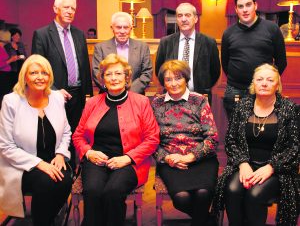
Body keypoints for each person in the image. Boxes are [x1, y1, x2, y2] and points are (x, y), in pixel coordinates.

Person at [72, 53, 159, 226]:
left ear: (127, 78)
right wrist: (88, 152)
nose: (113, 78)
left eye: (118, 73)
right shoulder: (92, 103)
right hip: (96, 160)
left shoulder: (141, 102)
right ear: (102, 79)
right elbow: (78, 136)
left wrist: (127, 158)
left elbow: (152, 138)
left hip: (130, 162)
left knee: (113, 192)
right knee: (93, 191)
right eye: (108, 74)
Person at [212, 64, 299, 226]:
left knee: (254, 194)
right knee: (232, 190)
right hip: (245, 165)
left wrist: (271, 167)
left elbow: (294, 148)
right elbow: (231, 141)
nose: (264, 83)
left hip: (276, 170)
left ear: (277, 85)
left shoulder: (290, 109)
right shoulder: (242, 107)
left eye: (269, 80)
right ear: (254, 83)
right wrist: (243, 164)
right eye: (259, 79)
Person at [0, 54, 73, 226]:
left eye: (44, 73)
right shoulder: (11, 101)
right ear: (25, 76)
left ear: (50, 76)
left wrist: (61, 154)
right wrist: (39, 163)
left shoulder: (56, 97)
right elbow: (6, 146)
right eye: (33, 73)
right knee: (46, 182)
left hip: (54, 159)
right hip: (22, 165)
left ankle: (46, 219)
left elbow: (66, 132)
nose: (40, 77)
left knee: (65, 180)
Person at [152, 60, 219, 226]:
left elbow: (212, 137)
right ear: (163, 82)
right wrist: (167, 158)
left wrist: (191, 156)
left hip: (202, 158)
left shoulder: (199, 101)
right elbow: (151, 140)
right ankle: (209, 220)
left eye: (178, 78)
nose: (174, 83)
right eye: (168, 79)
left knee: (203, 193)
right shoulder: (156, 103)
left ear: (186, 79)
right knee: (182, 198)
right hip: (171, 161)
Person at [31, 0, 93, 169]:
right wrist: (54, 90)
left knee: (76, 135)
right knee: (55, 135)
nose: (70, 11)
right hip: (53, 95)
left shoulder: (79, 34)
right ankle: (57, 171)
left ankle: (75, 172)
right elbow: (37, 68)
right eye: (66, 7)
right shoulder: (42, 34)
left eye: (73, 8)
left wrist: (88, 94)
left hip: (77, 96)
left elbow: (84, 67)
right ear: (55, 8)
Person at [222, 0, 287, 119]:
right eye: (240, 6)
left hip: (264, 91)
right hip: (235, 91)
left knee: (263, 132)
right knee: (235, 133)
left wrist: (268, 82)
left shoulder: (272, 29)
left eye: (248, 4)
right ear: (236, 10)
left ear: (255, 6)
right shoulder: (228, 33)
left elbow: (281, 62)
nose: (245, 9)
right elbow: (225, 63)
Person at [155, 3, 221, 104]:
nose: (183, 19)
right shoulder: (166, 42)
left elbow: (215, 72)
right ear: (177, 19)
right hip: (172, 98)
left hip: (200, 98)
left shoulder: (209, 42)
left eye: (188, 15)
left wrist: (204, 87)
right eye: (180, 16)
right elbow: (159, 71)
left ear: (195, 18)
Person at [92, 12, 152, 94]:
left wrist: (128, 92)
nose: (122, 31)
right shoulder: (100, 48)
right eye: (118, 27)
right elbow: (97, 73)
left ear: (131, 28)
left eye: (126, 27)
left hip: (135, 95)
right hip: (108, 95)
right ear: (112, 28)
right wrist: (112, 89)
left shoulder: (142, 47)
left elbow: (147, 73)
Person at [0, 30, 19, 106]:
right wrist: (11, 60)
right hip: (2, 75)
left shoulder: (3, 47)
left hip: (6, 74)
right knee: (3, 95)